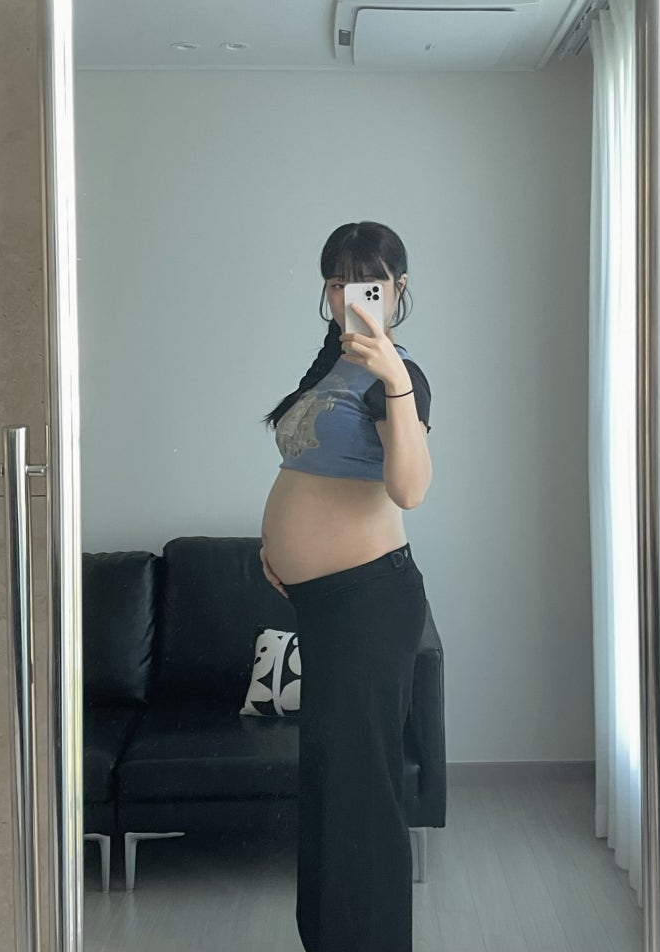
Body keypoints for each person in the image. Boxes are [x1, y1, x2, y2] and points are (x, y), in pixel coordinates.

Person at [260, 220, 432, 952]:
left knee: (362, 791)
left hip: (368, 602)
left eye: (367, 283)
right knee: (332, 783)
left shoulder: (401, 376)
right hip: (328, 605)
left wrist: (394, 378)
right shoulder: (329, 364)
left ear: (397, 288)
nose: (347, 297)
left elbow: (410, 489)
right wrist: (279, 547)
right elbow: (307, 470)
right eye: (336, 282)